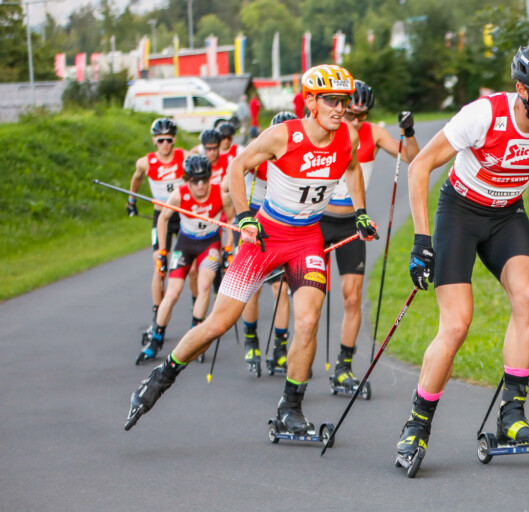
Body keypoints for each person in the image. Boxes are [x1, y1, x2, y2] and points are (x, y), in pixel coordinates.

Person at [124, 65, 379, 434]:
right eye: (332, 101)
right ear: (311, 101)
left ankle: (290, 408)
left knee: (307, 320)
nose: (340, 109)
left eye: (344, 101)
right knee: (218, 323)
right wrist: (245, 217)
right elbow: (238, 167)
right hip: (267, 238)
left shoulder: (347, 138)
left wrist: (360, 212)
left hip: (307, 239)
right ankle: (160, 378)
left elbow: (353, 168)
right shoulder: (282, 136)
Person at [395, 43, 529, 468]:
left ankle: (512, 416)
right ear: (523, 90)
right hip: (460, 214)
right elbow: (419, 166)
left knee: (526, 296)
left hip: (507, 216)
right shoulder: (484, 115)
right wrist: (421, 240)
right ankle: (417, 425)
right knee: (458, 323)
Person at [320, 80, 420, 391]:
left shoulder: (373, 133)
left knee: (352, 299)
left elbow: (414, 159)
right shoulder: (324, 131)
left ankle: (343, 367)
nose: (356, 121)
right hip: (318, 222)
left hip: (352, 224)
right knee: (310, 299)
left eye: (362, 115)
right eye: (351, 113)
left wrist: (409, 132)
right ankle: (292, 357)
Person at [137, 155, 234, 364]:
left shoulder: (221, 194)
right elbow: (162, 219)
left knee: (205, 285)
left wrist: (228, 248)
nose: (200, 186)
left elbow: (232, 220)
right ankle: (156, 338)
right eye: (194, 181)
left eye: (204, 180)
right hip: (185, 244)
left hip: (209, 244)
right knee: (172, 293)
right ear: (186, 180)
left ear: (209, 178)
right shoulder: (178, 195)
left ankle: (196, 335)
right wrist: (163, 251)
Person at [221, 111, 297, 375]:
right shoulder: (259, 154)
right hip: (254, 223)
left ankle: (279, 349)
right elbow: (226, 184)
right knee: (253, 289)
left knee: (280, 288)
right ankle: (251, 340)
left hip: (280, 227)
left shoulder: (296, 158)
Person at [128, 118, 190, 344]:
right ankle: (157, 316)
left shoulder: (184, 157)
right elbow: (136, 178)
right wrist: (131, 200)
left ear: (174, 140)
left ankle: (197, 315)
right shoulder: (146, 162)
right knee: (159, 265)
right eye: (161, 140)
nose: (165, 145)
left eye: (169, 140)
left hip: (182, 216)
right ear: (154, 140)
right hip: (160, 218)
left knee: (190, 268)